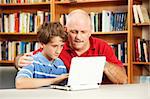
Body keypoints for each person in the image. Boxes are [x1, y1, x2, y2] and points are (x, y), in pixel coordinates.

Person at [15, 9, 127, 84]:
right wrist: (18, 60)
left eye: (83, 32)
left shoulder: (102, 46)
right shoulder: (59, 46)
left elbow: (123, 80)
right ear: (66, 30)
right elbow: (36, 56)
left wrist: (103, 64)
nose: (78, 37)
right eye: (74, 32)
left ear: (90, 32)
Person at [15, 22, 68, 89]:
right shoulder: (31, 61)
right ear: (42, 44)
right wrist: (54, 81)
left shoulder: (61, 65)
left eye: (62, 46)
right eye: (54, 46)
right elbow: (20, 83)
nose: (58, 51)